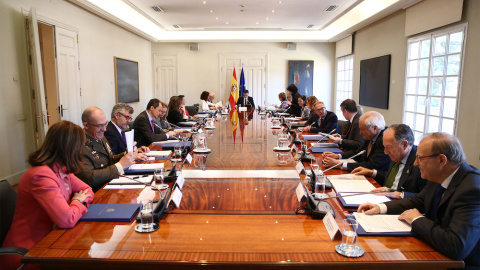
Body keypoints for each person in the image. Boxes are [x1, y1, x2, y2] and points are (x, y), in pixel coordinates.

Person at [358, 133, 480, 269]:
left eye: (420, 158)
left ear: (441, 160)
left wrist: (417, 220)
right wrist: (381, 208)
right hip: (433, 249)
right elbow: (418, 201)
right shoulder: (439, 175)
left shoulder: (472, 190)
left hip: (456, 264)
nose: (415, 163)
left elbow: (457, 246)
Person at [1, 121, 94, 270]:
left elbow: (87, 189)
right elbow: (67, 220)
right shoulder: (41, 175)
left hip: (55, 238)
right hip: (31, 252)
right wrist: (78, 202)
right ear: (70, 148)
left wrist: (75, 204)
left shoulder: (60, 168)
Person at [351, 124, 428, 199]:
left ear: (404, 144)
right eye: (384, 147)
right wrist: (372, 172)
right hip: (384, 198)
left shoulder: (420, 163)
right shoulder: (397, 155)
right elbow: (394, 177)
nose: (385, 152)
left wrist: (400, 194)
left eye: (389, 147)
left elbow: (424, 197)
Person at [76, 107, 138, 192]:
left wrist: (126, 154)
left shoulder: (99, 135)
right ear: (86, 125)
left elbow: (109, 160)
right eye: (99, 126)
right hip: (98, 192)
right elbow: (90, 178)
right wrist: (120, 166)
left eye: (105, 124)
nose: (104, 129)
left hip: (111, 184)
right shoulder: (79, 144)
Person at [323, 111, 391, 172]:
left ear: (375, 128)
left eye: (362, 129)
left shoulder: (384, 140)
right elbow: (359, 152)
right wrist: (338, 156)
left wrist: (340, 165)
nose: (360, 133)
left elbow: (371, 165)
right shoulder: (371, 135)